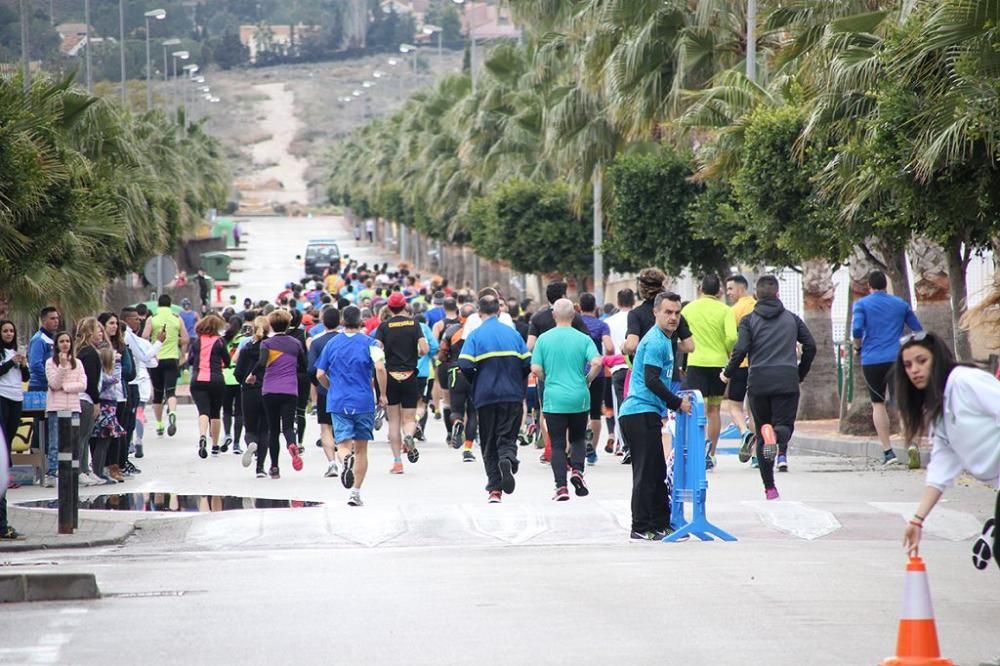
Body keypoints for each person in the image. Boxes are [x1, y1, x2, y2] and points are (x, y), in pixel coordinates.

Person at [892, 331, 1000, 566]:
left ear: (937, 359)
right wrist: (917, 520)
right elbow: (941, 468)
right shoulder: (938, 408)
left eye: (922, 361)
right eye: (908, 365)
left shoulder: (965, 381)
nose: (914, 370)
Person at [722, 275, 817, 500]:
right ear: (777, 294)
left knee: (763, 434)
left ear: (756, 296)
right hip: (786, 380)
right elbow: (810, 346)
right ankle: (776, 433)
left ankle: (770, 488)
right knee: (784, 427)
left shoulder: (748, 320)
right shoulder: (792, 319)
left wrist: (727, 373)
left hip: (758, 382)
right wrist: (799, 373)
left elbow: (741, 348)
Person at [618, 292, 691, 540]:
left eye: (677, 313)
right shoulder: (656, 341)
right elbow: (650, 380)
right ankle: (640, 527)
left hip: (648, 411)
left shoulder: (666, 340)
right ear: (656, 313)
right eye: (668, 312)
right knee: (646, 472)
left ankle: (661, 523)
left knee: (657, 470)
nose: (673, 317)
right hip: (638, 411)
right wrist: (677, 403)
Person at [458, 295, 531, 503]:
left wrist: (477, 380)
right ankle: (508, 459)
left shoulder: (475, 335)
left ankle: (495, 490)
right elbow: (527, 364)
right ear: (498, 311)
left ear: (479, 313)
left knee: (489, 441)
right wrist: (516, 380)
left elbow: (463, 364)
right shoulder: (513, 334)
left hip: (486, 396)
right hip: (512, 395)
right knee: (507, 436)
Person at [531, 299, 603, 501]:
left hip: (554, 397)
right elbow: (597, 361)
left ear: (554, 315)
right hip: (579, 395)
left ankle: (561, 487)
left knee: (557, 443)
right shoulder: (583, 339)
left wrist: (548, 379)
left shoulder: (543, 340)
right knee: (578, 438)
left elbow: (535, 368)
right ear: (573, 316)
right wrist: (587, 379)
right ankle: (578, 471)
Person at [316, 306, 388, 507]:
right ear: (360, 321)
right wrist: (382, 394)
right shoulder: (372, 343)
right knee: (362, 449)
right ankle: (355, 493)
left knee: (343, 444)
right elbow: (380, 368)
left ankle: (345, 459)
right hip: (363, 401)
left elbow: (320, 374)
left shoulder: (331, 344)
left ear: (342, 321)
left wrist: (332, 388)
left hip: (338, 401)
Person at [852, 270, 923, 468]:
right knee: (903, 402)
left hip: (871, 360)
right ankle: (912, 445)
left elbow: (857, 330)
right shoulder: (900, 304)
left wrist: (858, 347)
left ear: (869, 286)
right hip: (897, 359)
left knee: (878, 403)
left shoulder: (862, 305)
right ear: (885, 285)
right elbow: (918, 330)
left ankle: (888, 451)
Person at [681, 275, 737, 471]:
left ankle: (696, 452)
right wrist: (727, 350)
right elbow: (732, 337)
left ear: (700, 289)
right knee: (714, 410)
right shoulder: (725, 310)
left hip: (695, 362)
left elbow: (681, 334)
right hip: (719, 364)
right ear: (719, 292)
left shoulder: (688, 309)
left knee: (697, 410)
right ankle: (710, 454)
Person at [374, 292, 428, 474]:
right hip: (410, 375)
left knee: (394, 422)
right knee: (409, 419)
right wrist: (417, 354)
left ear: (389, 307)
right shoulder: (414, 324)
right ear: (405, 306)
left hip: (391, 377)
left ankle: (397, 463)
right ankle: (410, 436)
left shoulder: (383, 326)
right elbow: (425, 349)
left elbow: (376, 350)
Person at [256, 310, 306, 478]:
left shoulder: (267, 343)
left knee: (273, 430)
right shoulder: (295, 343)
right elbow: (304, 365)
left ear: (271, 325)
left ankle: (274, 467)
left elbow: (262, 362)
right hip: (290, 390)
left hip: (269, 390)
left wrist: (252, 374)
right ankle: (292, 444)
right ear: (287, 324)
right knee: (288, 427)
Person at [44, 333, 87, 488]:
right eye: (61, 341)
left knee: (73, 441)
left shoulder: (78, 363)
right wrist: (62, 367)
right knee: (55, 442)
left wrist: (66, 387)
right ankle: (52, 472)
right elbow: (54, 384)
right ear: (56, 344)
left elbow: (83, 384)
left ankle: (72, 471)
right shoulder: (50, 363)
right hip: (56, 407)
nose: (65, 344)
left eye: (67, 341)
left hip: (74, 407)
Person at [142, 294, 190, 439]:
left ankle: (159, 425)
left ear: (158, 304)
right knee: (170, 391)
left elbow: (144, 336)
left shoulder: (152, 319)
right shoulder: (177, 318)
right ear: (170, 305)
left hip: (156, 360)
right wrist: (176, 343)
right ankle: (173, 413)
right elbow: (186, 339)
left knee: (157, 393)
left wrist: (152, 345)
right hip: (172, 359)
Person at [97, 312, 136, 481]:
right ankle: (103, 466)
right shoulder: (98, 347)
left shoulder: (122, 346)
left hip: (120, 395)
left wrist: (117, 365)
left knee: (119, 433)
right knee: (103, 434)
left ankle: (118, 465)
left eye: (115, 324)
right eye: (110, 323)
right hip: (102, 395)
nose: (114, 327)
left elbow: (129, 372)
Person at [121, 307, 164, 462]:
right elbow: (146, 357)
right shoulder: (129, 336)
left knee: (131, 418)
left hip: (135, 382)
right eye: (135, 319)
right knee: (131, 417)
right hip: (134, 383)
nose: (138, 321)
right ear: (126, 320)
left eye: (139, 319)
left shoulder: (134, 337)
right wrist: (159, 342)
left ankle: (130, 447)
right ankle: (132, 445)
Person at [439, 303, 478, 461]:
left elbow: (442, 354)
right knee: (473, 412)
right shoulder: (479, 332)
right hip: (476, 374)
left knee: (456, 409)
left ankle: (457, 422)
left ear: (459, 315)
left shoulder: (450, 330)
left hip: (456, 372)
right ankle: (468, 450)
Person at [725, 275, 758, 466]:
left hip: (738, 365)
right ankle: (755, 456)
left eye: (730, 289)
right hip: (755, 366)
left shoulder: (734, 311)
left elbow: (732, 340)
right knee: (754, 410)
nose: (728, 293)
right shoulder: (757, 306)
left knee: (734, 406)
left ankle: (744, 431)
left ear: (740, 289)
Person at [188, 314, 231, 459]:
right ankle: (215, 446)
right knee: (215, 413)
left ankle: (202, 436)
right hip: (216, 380)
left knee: (203, 411)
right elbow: (227, 360)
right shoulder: (220, 341)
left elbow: (190, 360)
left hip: (198, 380)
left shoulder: (196, 342)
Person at [578, 292, 613, 465]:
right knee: (595, 413)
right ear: (595, 307)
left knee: (578, 410)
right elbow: (610, 347)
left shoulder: (575, 324)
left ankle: (581, 441)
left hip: (577, 373)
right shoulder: (601, 325)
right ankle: (592, 451)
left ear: (579, 307)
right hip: (597, 372)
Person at [307, 307, 342, 478]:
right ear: (340, 321)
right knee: (344, 426)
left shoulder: (317, 342)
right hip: (345, 389)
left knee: (325, 428)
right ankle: (347, 457)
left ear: (322, 321)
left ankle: (332, 463)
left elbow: (311, 369)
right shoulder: (345, 340)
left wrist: (318, 385)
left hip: (324, 390)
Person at [235, 316, 269, 475]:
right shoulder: (271, 347)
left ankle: (251, 443)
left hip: (249, 391)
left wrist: (244, 381)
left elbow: (238, 373)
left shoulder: (246, 349)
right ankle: (260, 468)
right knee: (265, 430)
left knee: (250, 428)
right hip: (267, 390)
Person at [90, 344, 127, 484]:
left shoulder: (105, 374)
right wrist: (118, 363)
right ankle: (97, 470)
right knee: (101, 441)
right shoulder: (103, 376)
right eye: (111, 360)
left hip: (111, 408)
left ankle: (101, 470)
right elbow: (115, 378)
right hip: (105, 409)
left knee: (106, 443)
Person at [604, 289, 634, 455]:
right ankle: (634, 442)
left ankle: (624, 444)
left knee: (620, 407)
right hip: (634, 368)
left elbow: (606, 348)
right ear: (633, 300)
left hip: (616, 368)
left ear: (618, 301)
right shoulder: (637, 317)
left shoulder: (609, 321)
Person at [0, 321, 29, 486]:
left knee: (10, 435)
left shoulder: (17, 351)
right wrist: (11, 362)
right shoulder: (4, 354)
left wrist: (23, 364)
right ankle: (4, 474)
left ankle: (7, 472)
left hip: (16, 396)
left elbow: (26, 377)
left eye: (11, 331)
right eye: (5, 331)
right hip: (2, 394)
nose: (9, 334)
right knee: (2, 436)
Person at [221, 316, 245, 454]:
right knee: (239, 412)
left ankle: (227, 434)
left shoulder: (223, 340)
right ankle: (236, 443)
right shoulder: (244, 340)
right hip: (239, 377)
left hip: (225, 377)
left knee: (227, 410)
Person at [27, 306, 60, 391]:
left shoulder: (54, 339)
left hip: (51, 386)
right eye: (52, 318)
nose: (56, 321)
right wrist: (51, 379)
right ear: (43, 320)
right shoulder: (39, 339)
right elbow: (35, 364)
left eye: (57, 318)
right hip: (39, 386)